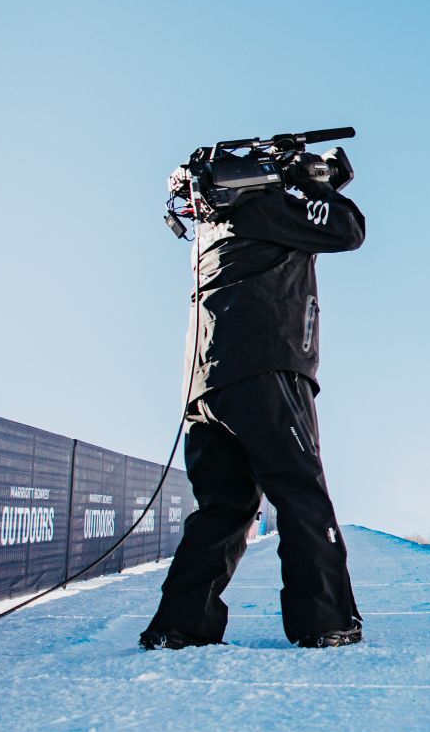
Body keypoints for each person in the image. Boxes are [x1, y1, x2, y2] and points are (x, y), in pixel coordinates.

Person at [141, 154, 366, 650]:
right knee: (299, 491)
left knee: (225, 506)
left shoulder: (212, 229)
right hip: (265, 369)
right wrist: (318, 187)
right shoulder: (262, 207)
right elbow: (347, 229)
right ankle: (325, 619)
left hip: (205, 387)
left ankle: (179, 624)